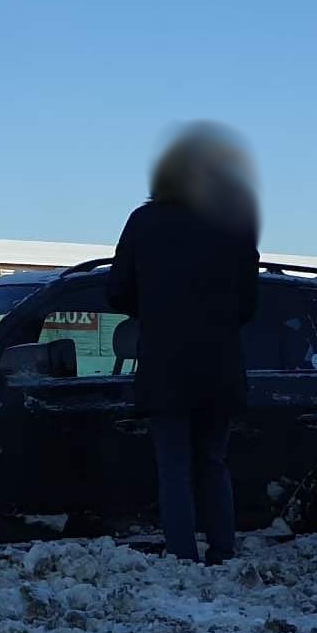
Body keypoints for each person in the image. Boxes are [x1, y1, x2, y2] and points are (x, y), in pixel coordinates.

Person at [107, 123, 260, 564]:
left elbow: (116, 292)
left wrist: (154, 306)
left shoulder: (145, 222)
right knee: (213, 462)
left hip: (166, 367)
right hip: (221, 368)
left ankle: (181, 555)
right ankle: (223, 548)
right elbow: (250, 304)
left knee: (173, 466)